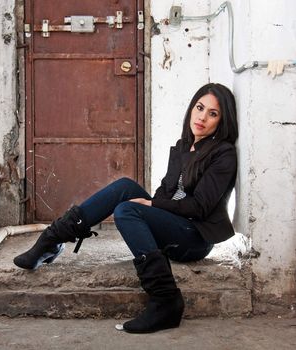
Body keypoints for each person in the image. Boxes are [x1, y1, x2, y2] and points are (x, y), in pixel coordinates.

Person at [14, 83, 238, 334]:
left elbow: (199, 207)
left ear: (222, 121)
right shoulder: (183, 145)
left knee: (126, 210)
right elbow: (166, 191)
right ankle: (52, 240)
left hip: (194, 236)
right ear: (192, 108)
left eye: (213, 113)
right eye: (200, 108)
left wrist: (152, 205)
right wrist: (154, 203)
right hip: (174, 224)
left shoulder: (224, 154)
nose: (202, 117)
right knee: (125, 187)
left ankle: (166, 300)